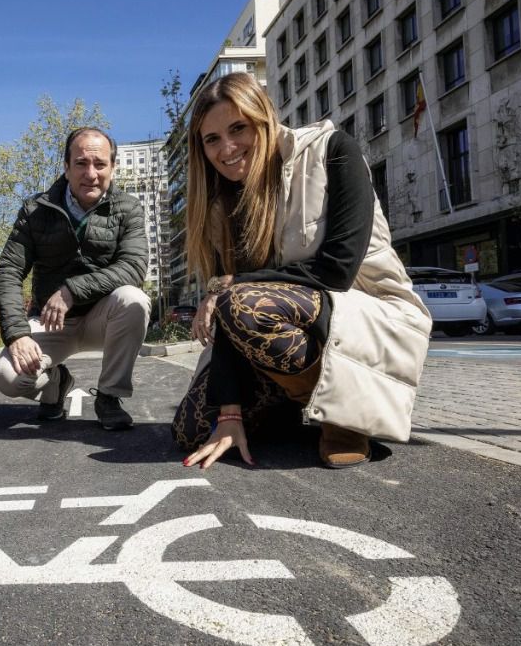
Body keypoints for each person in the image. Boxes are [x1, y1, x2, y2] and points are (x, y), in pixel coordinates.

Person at [174, 73, 431, 470]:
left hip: (361, 316)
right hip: (276, 325)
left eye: (238, 128)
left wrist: (232, 285)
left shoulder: (333, 151)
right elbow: (229, 313)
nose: (227, 148)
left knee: (243, 302)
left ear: (264, 119)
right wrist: (228, 414)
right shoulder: (221, 206)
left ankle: (344, 416)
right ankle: (296, 406)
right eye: (212, 139)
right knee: (190, 431)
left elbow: (338, 269)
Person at [0, 127, 150, 430]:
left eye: (100, 164)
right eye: (80, 163)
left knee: (134, 300)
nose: (91, 173)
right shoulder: (35, 210)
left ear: (113, 168)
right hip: (51, 324)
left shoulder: (128, 208)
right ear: (65, 167)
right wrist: (17, 334)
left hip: (102, 319)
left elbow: (133, 267)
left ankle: (109, 396)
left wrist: (71, 291)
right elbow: (9, 271)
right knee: (7, 377)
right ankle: (56, 383)